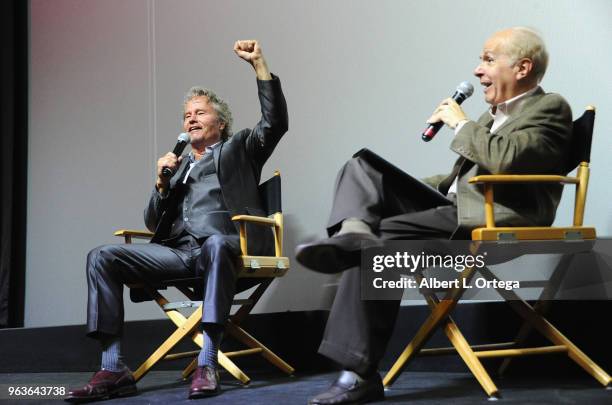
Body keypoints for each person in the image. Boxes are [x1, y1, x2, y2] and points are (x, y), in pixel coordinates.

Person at [296, 27, 572, 405]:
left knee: (381, 244)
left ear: (523, 67)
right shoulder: (490, 117)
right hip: (457, 208)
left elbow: (507, 160)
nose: (477, 70)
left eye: (489, 60)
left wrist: (461, 124)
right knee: (363, 167)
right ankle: (354, 230)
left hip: (499, 219)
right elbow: (458, 180)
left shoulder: (549, 107)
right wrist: (393, 186)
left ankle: (358, 373)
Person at [66, 40, 288, 402]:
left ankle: (208, 362)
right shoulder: (179, 166)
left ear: (221, 121)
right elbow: (155, 224)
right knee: (101, 256)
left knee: (215, 244)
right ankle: (112, 367)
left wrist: (259, 65)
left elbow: (275, 122)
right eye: (187, 115)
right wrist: (161, 183)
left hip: (224, 245)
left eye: (200, 112)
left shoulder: (241, 148)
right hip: (179, 253)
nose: (191, 119)